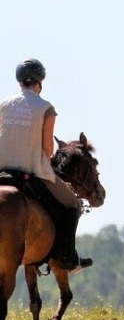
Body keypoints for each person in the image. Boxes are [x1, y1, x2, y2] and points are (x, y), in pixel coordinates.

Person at [0, 59, 92, 272]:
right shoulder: (45, 108)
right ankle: (68, 258)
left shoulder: (4, 104)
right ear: (40, 81)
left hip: (2, 168)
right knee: (73, 205)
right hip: (29, 169)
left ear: (19, 81)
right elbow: (47, 150)